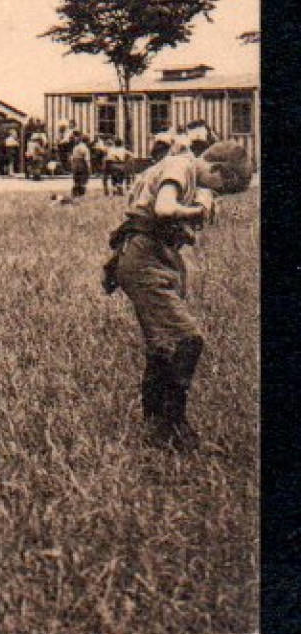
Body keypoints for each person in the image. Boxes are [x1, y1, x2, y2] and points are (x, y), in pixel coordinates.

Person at [103, 140, 251, 451]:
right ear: (219, 171)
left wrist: (186, 226)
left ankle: (156, 426)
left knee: (163, 345)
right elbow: (164, 208)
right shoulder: (181, 166)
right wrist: (197, 209)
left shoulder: (179, 167)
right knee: (186, 338)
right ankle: (173, 427)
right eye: (221, 188)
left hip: (153, 255)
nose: (214, 194)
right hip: (145, 259)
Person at [69, 133, 93, 198]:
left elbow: (71, 157)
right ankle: (81, 193)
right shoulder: (84, 148)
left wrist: (72, 165)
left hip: (75, 163)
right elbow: (87, 159)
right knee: (83, 179)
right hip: (82, 163)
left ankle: (75, 193)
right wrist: (89, 167)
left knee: (76, 179)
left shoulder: (75, 147)